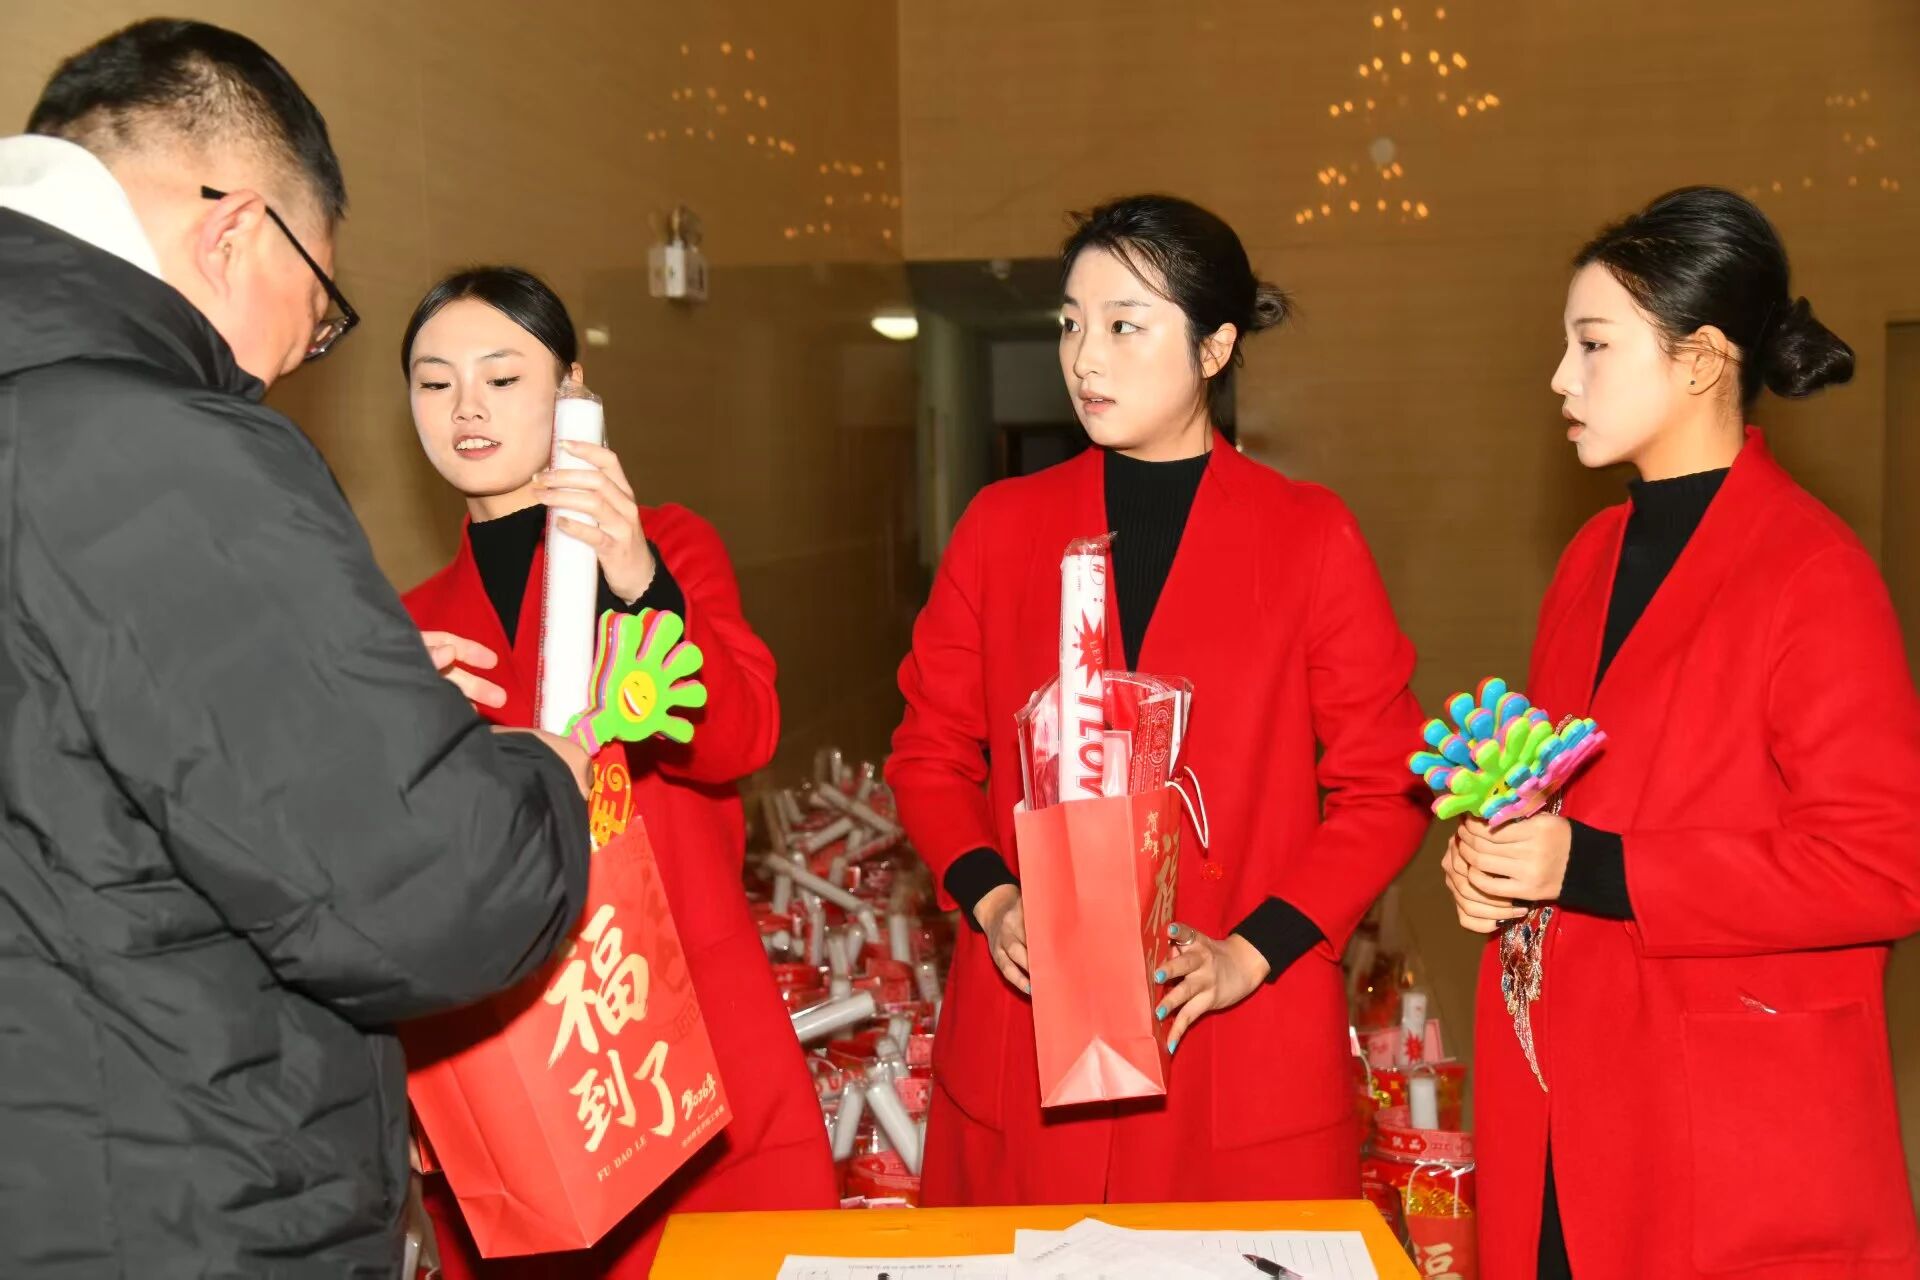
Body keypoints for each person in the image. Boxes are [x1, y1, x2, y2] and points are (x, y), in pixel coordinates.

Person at [0, 19, 593, 1279]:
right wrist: (546, 769)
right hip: (176, 1200)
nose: (281, 367)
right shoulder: (170, 447)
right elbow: (438, 892)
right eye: (319, 312)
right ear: (236, 231)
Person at [887, 193, 1430, 1204]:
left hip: (1232, 1034)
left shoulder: (1307, 537)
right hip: (1028, 1036)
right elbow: (929, 753)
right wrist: (992, 896)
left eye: (1124, 325)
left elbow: (1386, 785)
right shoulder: (1003, 527)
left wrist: (1254, 951)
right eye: (1071, 323)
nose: (1085, 357)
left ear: (1214, 347)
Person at [1444, 186, 1920, 1279]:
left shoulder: (1812, 570)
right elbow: (1564, 795)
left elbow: (1885, 864)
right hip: (1564, 1080)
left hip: (1719, 1117)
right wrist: (1498, 859)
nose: (1560, 377)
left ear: (1701, 359)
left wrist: (1591, 865)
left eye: (1592, 344)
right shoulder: (1589, 558)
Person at [399, 266, 837, 1275]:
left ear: (572, 389)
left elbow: (742, 735)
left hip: (695, 1048)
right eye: (434, 381)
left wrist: (638, 576)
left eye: (502, 376)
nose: (466, 407)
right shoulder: (408, 623)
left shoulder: (664, 548)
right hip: (520, 1078)